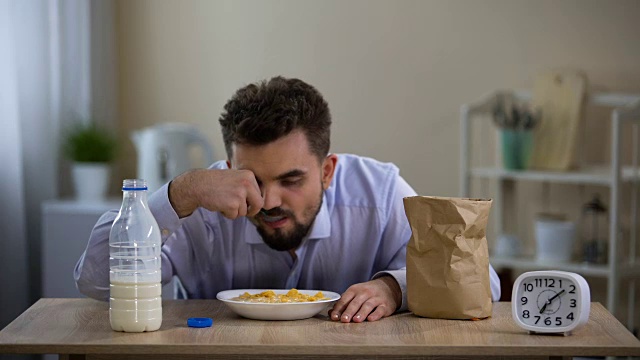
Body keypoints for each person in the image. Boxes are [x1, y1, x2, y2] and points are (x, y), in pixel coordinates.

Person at [75, 76, 501, 323]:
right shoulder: (199, 204)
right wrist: (179, 194)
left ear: (328, 170)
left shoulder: (380, 191)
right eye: (254, 180)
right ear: (228, 165)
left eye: (291, 179)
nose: (269, 200)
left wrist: (394, 287)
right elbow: (93, 281)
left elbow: (484, 281)